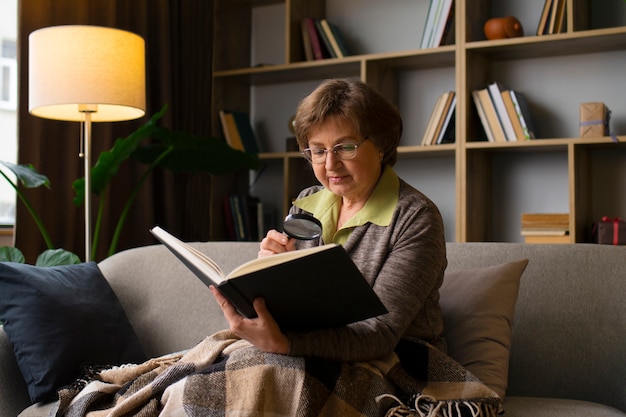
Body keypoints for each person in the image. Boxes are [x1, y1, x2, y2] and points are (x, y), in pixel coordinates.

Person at [210, 78, 448, 363]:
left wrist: (284, 343)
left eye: (345, 147)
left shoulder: (416, 217)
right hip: (306, 351)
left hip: (397, 363)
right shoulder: (307, 203)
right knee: (199, 373)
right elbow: (301, 312)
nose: (330, 165)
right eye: (318, 151)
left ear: (382, 144)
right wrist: (271, 277)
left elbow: (380, 333)